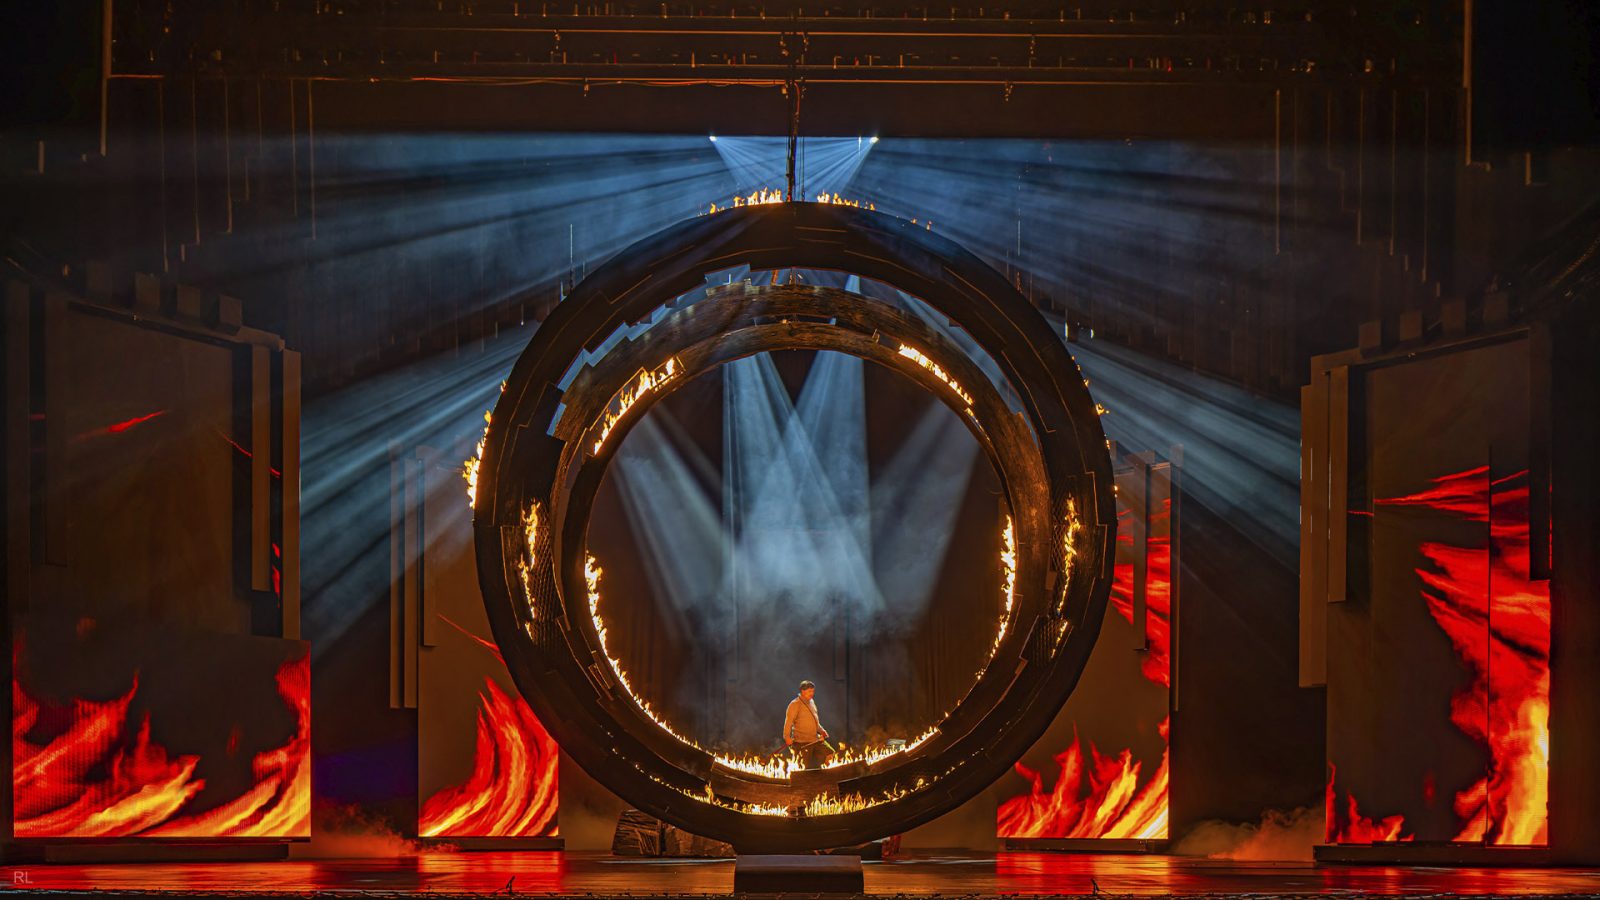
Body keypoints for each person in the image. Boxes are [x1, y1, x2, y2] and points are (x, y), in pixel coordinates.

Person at [783, 680, 830, 768]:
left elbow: (815, 721)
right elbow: (788, 722)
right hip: (802, 743)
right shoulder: (795, 704)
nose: (812, 693)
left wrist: (822, 730)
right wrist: (787, 737)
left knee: (830, 754)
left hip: (815, 740)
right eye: (809, 691)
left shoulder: (812, 702)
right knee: (805, 768)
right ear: (802, 691)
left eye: (813, 691)